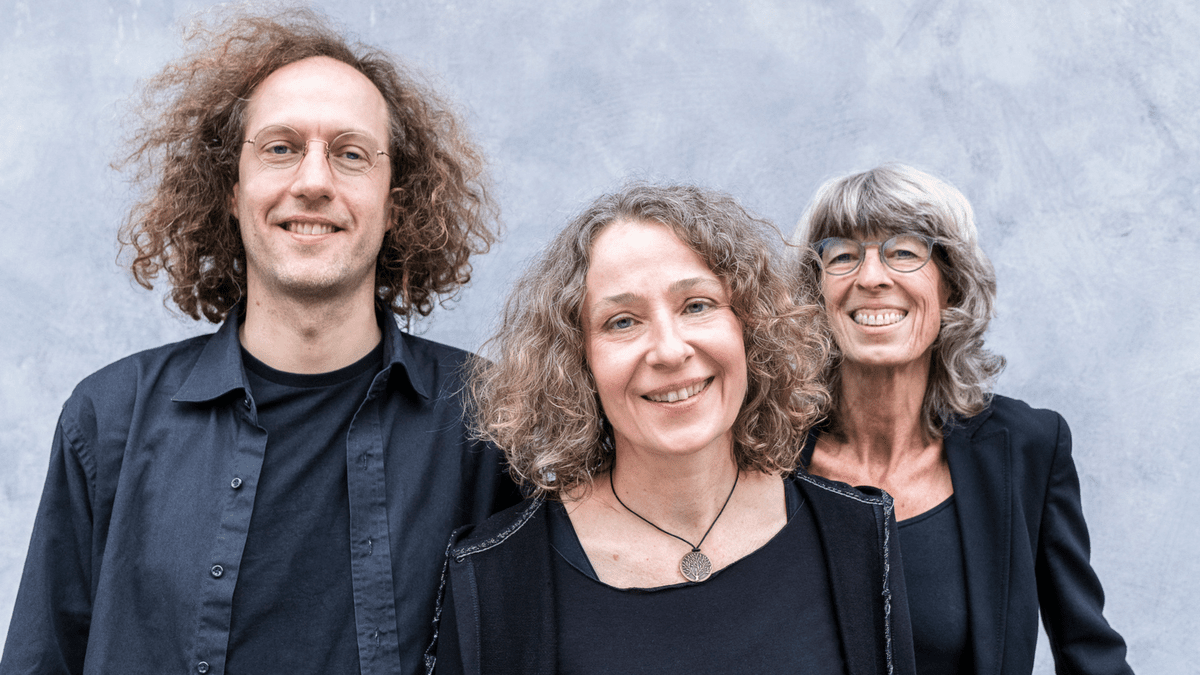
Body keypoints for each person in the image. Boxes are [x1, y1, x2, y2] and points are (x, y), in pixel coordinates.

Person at [0, 8, 518, 675]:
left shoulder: (489, 421)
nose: (313, 181)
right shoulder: (108, 421)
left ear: (396, 201)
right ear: (232, 189)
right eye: (280, 148)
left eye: (351, 154)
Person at [427, 183, 917, 675]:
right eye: (622, 322)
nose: (669, 350)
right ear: (576, 362)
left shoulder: (858, 534)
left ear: (750, 327)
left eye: (696, 305)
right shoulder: (493, 577)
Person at [793, 164, 1134, 675]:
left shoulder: (1028, 448)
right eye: (842, 255)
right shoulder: (763, 457)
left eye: (904, 252)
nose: (871, 277)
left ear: (950, 285)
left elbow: (1092, 657)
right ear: (816, 294)